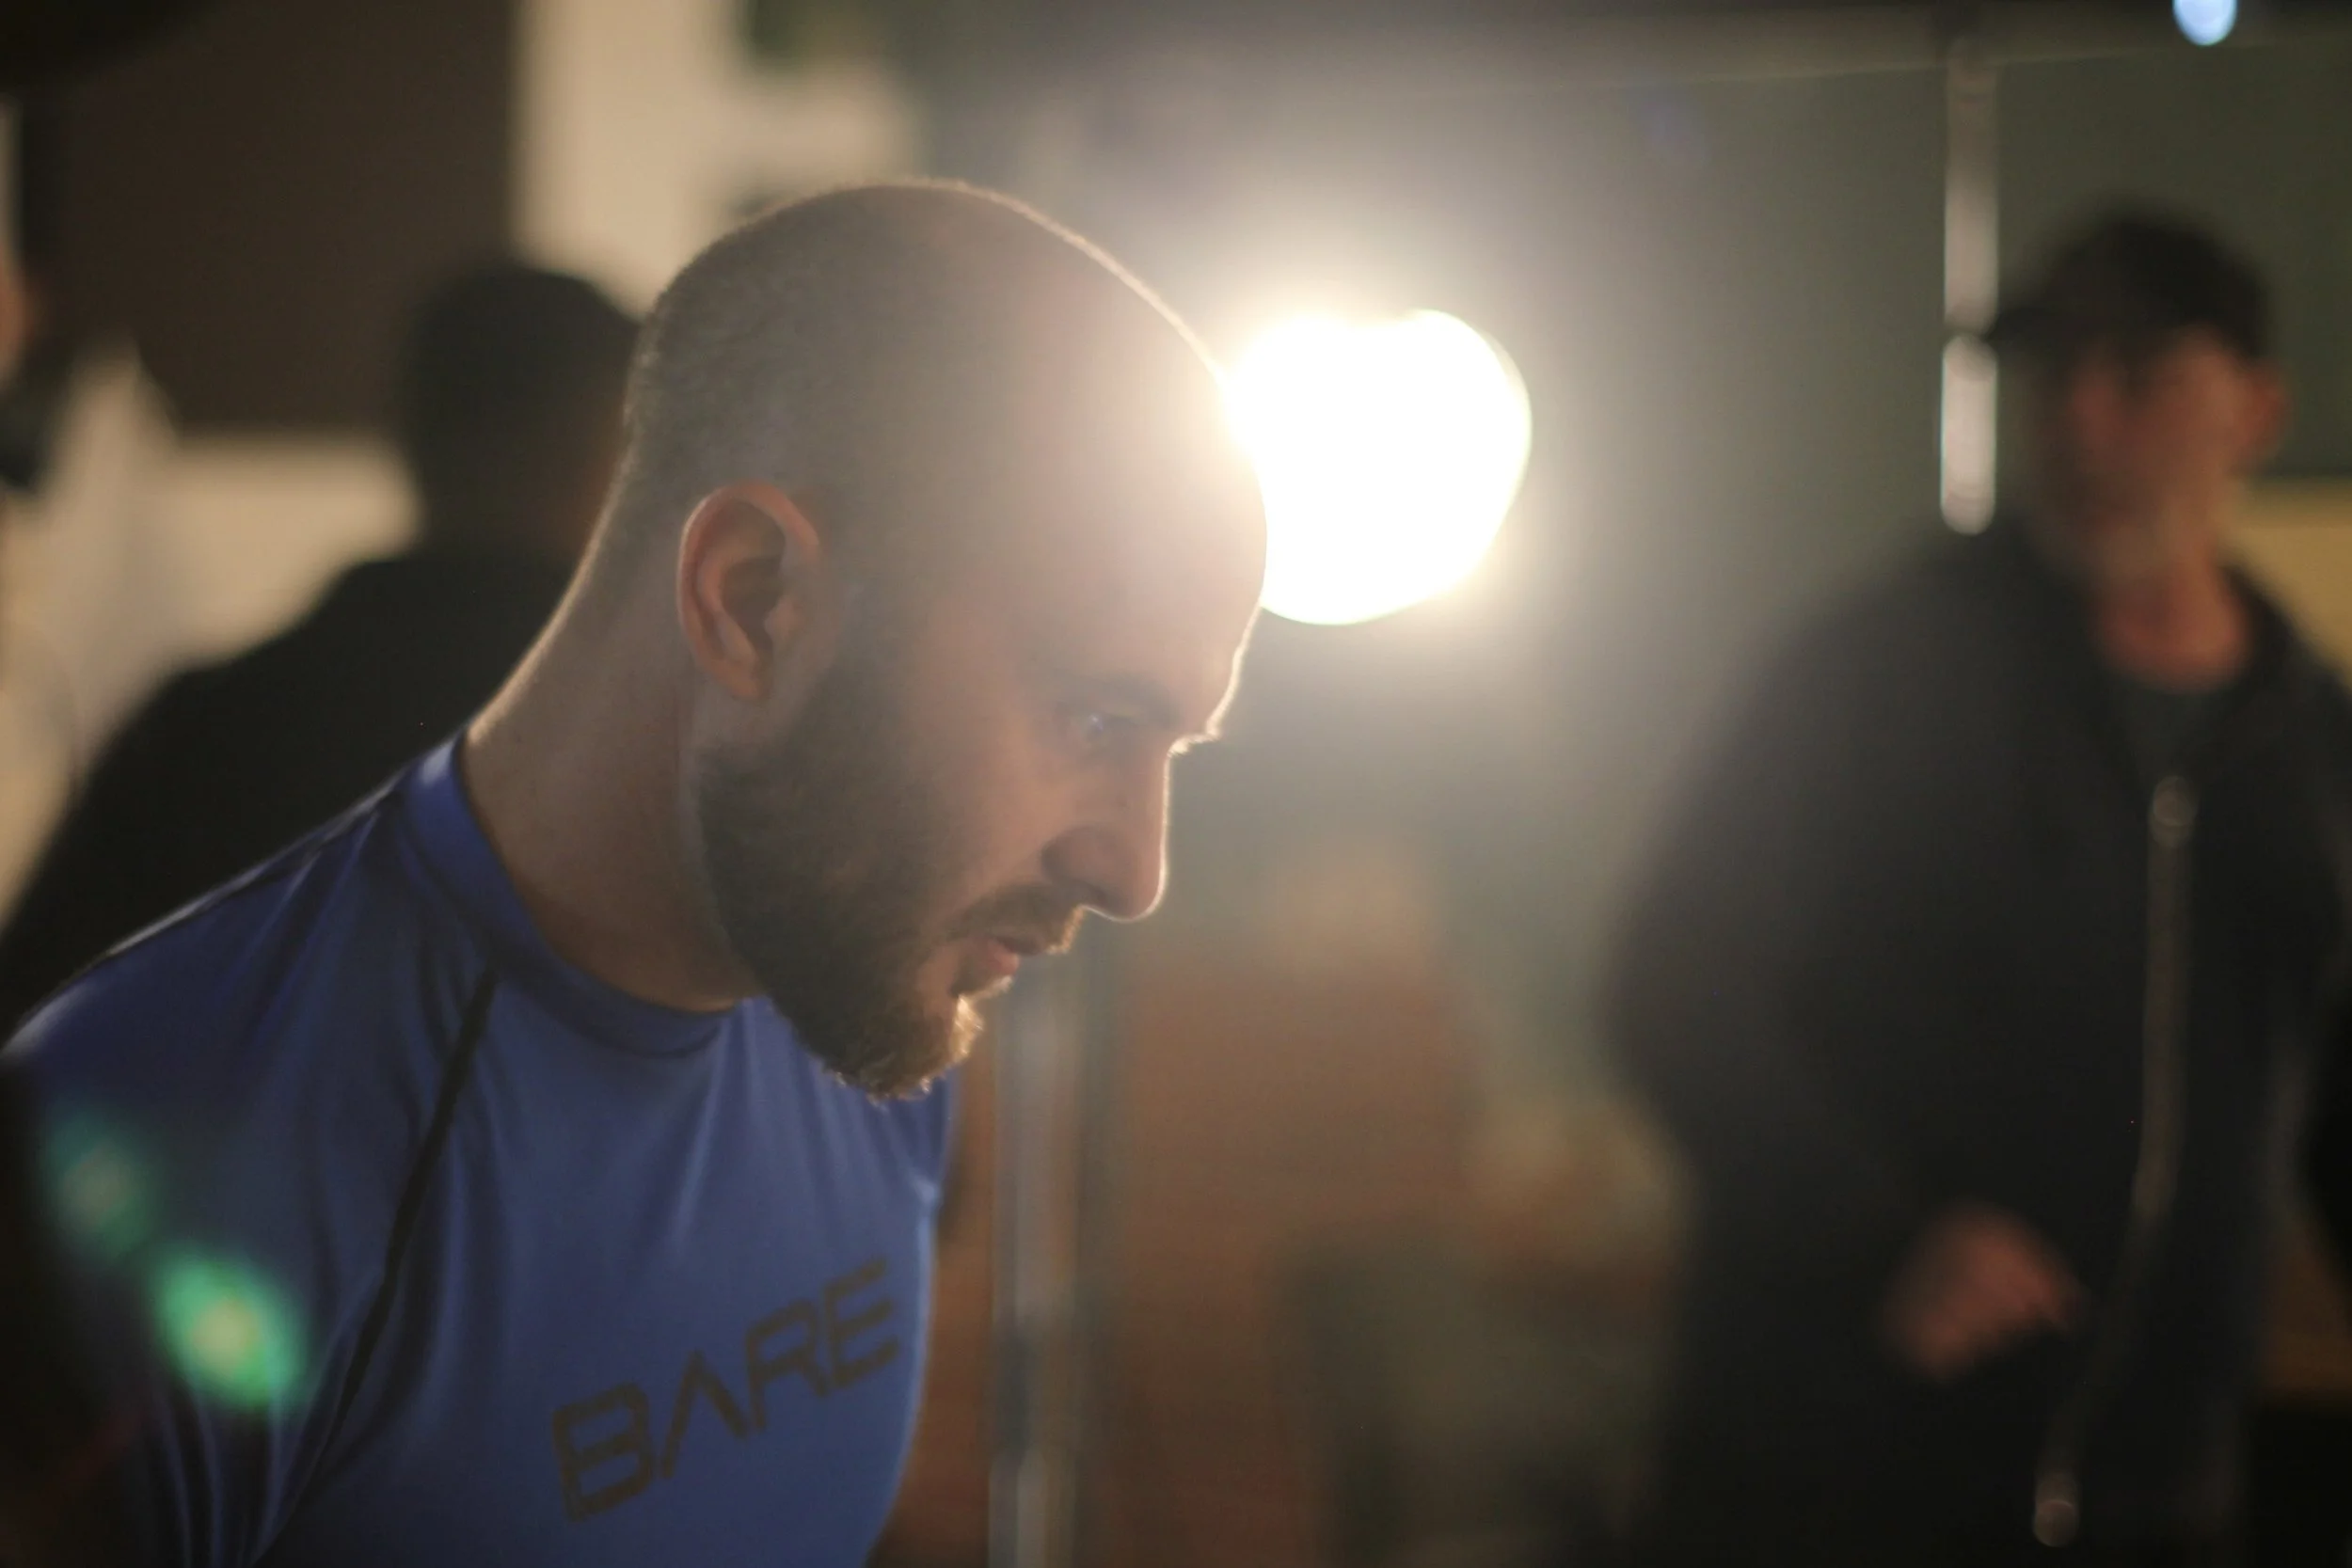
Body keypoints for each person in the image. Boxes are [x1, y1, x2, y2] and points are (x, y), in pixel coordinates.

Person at [0, 182, 1265, 1566]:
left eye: (1176, 746)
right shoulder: (157, 1148)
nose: (1136, 867)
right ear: (754, 595)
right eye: (1094, 714)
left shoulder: (870, 992)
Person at [1609, 208, 2352, 1567]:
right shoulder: (1882, 671)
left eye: (2136, 376)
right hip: (1831, 1487)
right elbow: (1674, 976)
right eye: (2051, 375)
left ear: (2254, 409)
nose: (2080, 420)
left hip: (2160, 1499)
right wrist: (1878, 1233)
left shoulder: (2311, 744)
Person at [0, 261, 637, 1028]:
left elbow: (33, 1027)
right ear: (618, 448)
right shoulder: (658, 759)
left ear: (408, 425)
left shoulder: (204, 730)